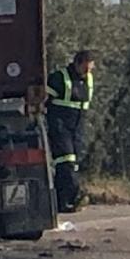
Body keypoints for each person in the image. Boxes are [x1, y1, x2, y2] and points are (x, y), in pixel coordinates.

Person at [47, 50, 95, 212]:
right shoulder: (60, 78)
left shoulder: (88, 79)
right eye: (85, 68)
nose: (88, 72)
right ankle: (73, 195)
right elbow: (44, 99)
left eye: (90, 68)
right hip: (60, 125)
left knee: (73, 164)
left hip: (78, 126)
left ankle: (63, 202)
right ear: (77, 64)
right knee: (66, 162)